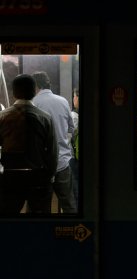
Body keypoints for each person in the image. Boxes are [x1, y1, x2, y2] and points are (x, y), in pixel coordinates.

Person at [0, 74, 58, 213]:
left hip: (9, 178)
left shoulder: (3, 117)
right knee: (39, 221)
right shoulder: (45, 118)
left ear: (13, 93)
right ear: (34, 92)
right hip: (38, 178)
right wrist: (49, 177)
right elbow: (52, 152)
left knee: (8, 220)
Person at [32, 71, 77, 213]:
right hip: (63, 161)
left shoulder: (34, 104)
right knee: (69, 204)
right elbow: (71, 128)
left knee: (41, 206)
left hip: (42, 164)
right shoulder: (63, 101)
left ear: (35, 86)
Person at [70, 88, 79, 207]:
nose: (73, 99)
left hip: (75, 158)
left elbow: (70, 137)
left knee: (76, 190)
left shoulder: (74, 116)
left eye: (74, 96)